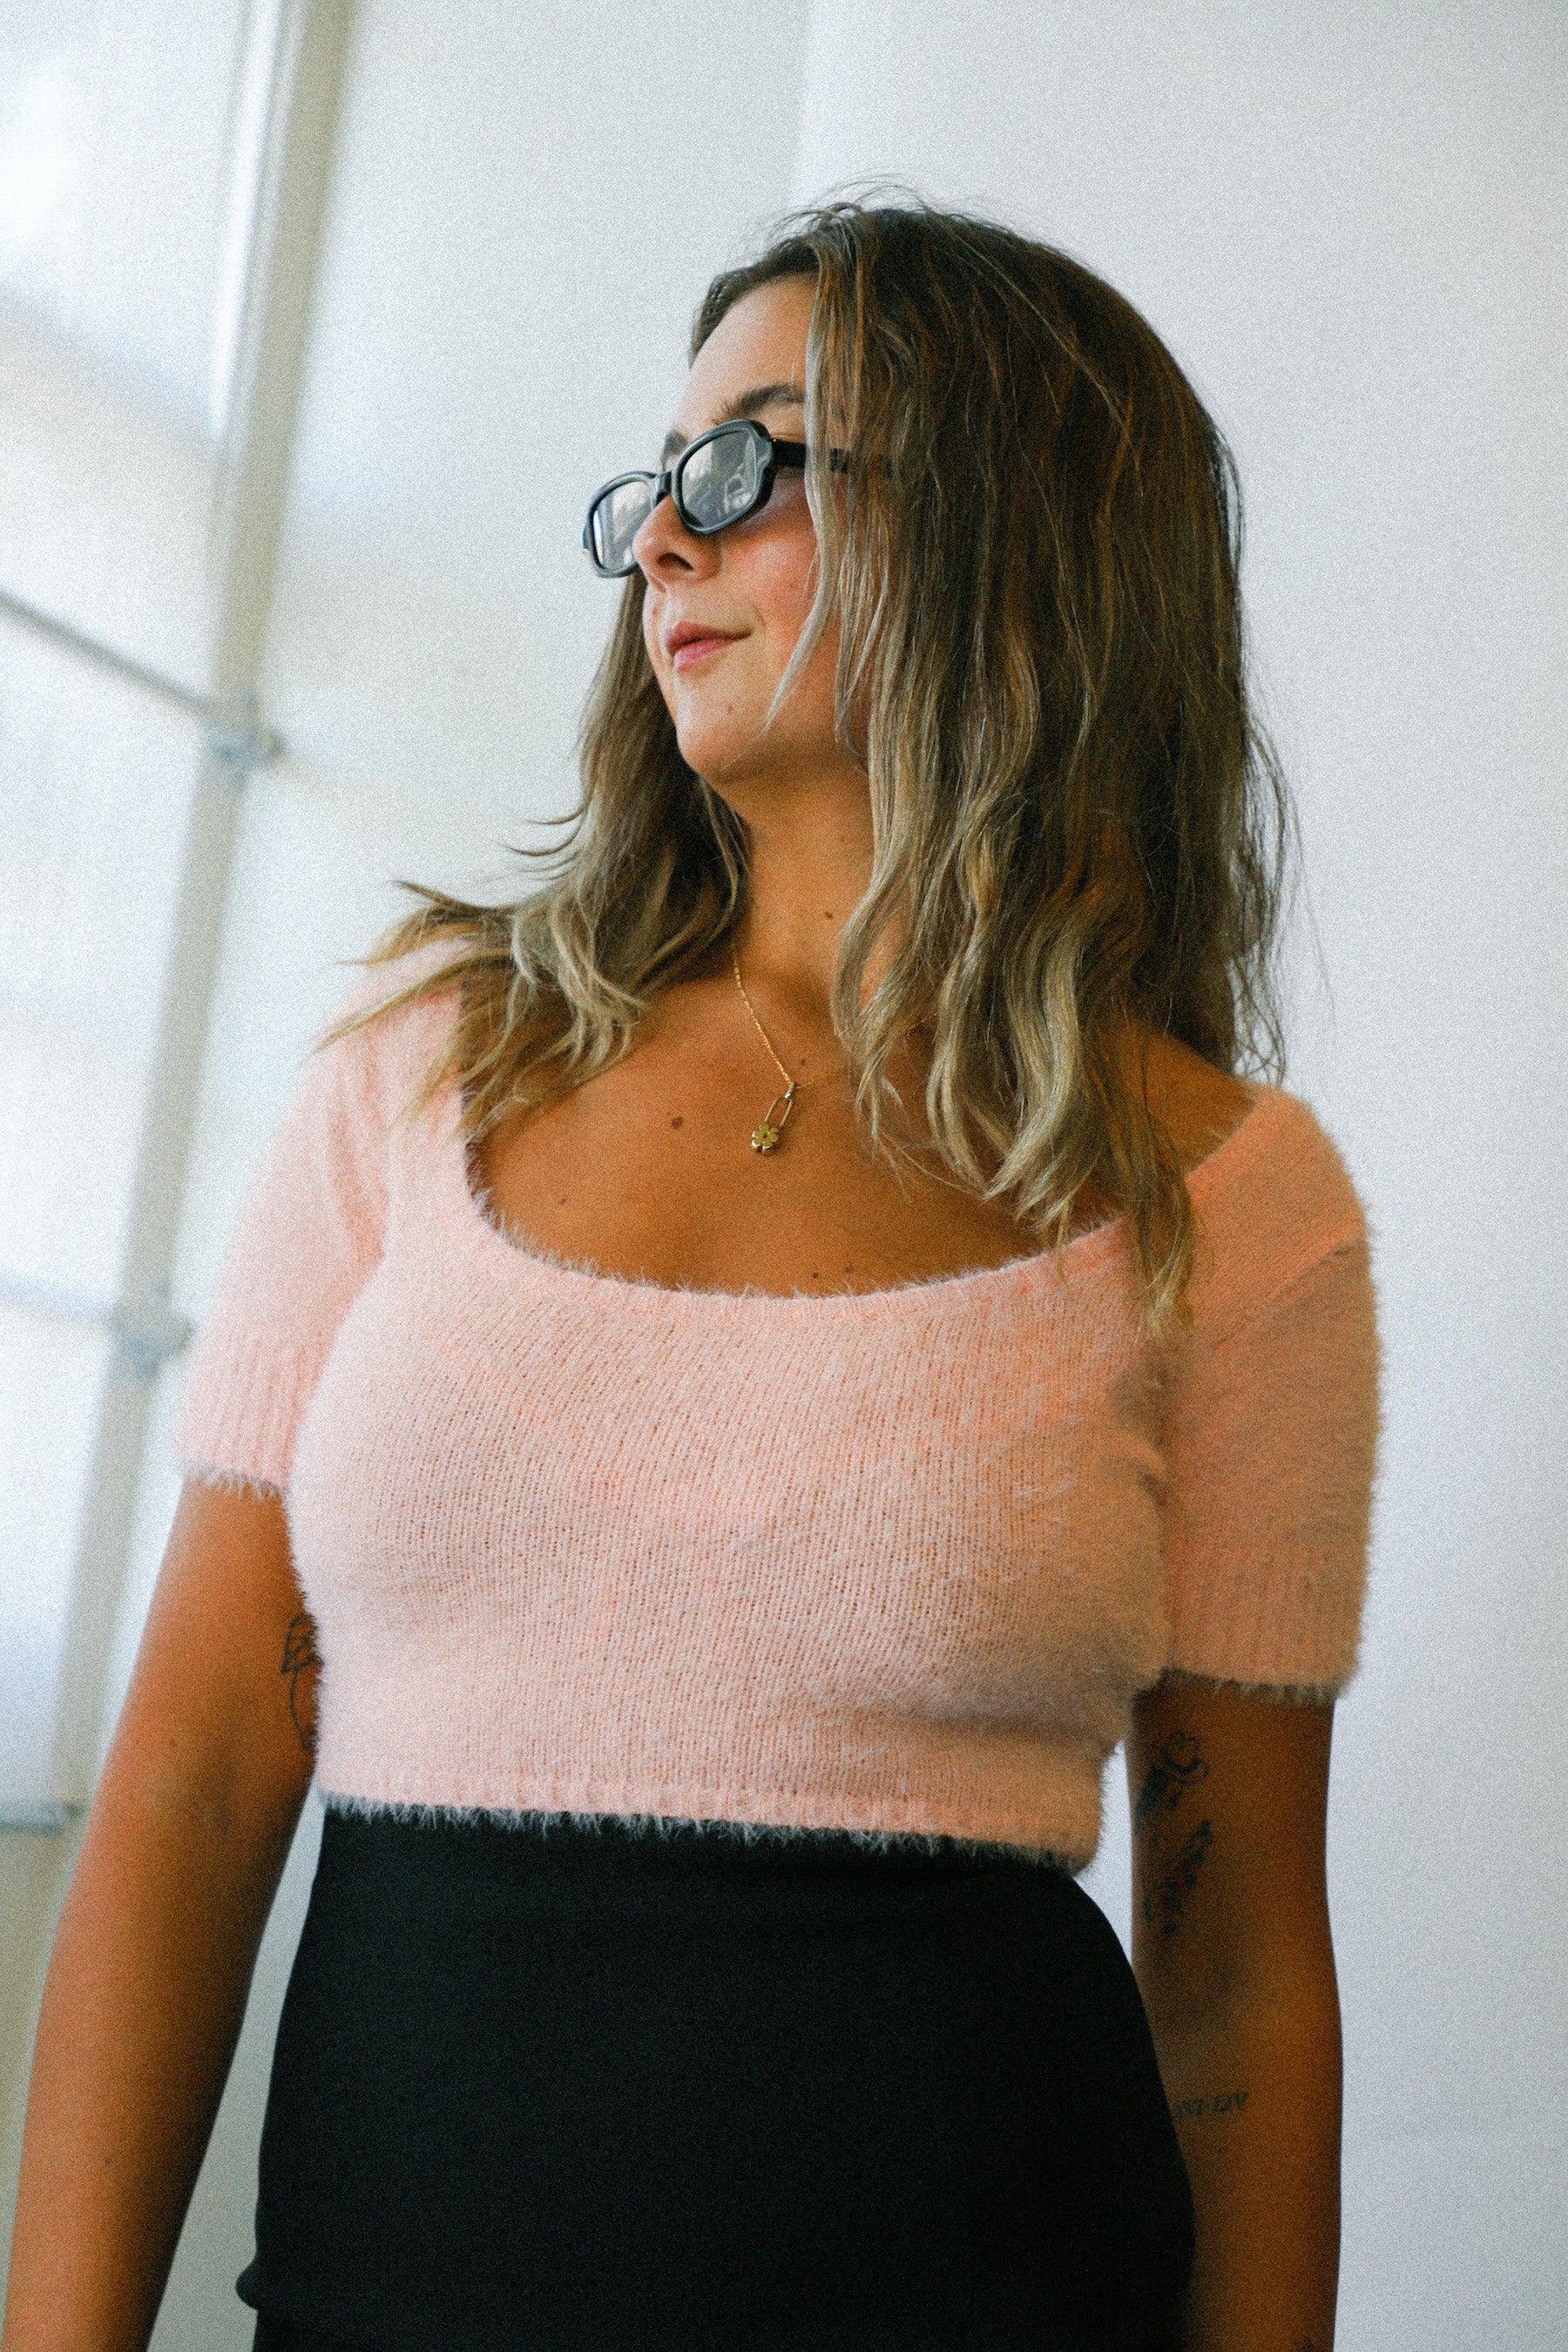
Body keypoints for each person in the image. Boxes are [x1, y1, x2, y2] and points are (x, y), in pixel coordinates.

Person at [2, 199, 1381, 2352]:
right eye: (655, 479)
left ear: (1014, 531)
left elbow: (1238, 1978)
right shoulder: (415, 1084)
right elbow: (188, 1785)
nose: (660, 537)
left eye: (748, 463)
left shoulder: (1235, 1198)